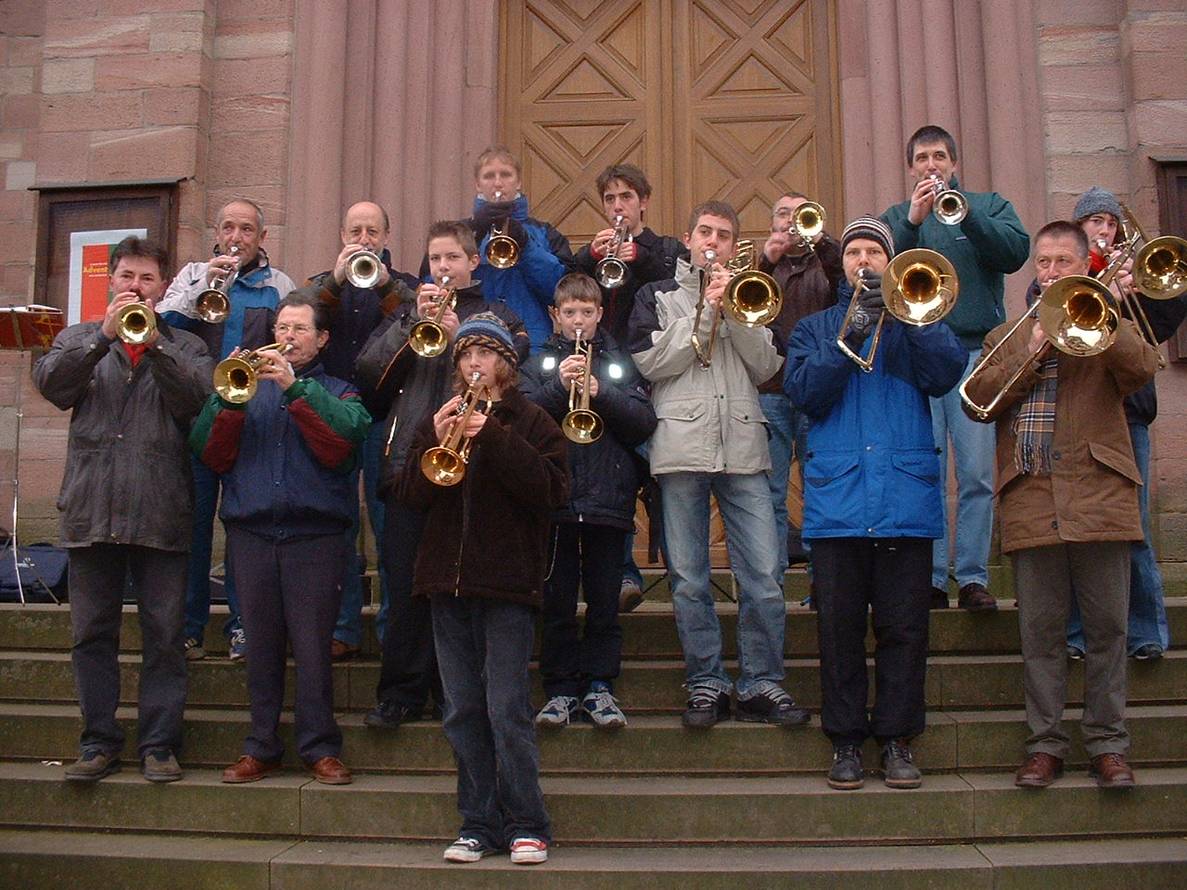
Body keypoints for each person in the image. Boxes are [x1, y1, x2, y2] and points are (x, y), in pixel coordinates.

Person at [962, 221, 1160, 789]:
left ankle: (1108, 744)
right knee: (1042, 636)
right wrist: (1029, 350)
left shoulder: (1106, 323)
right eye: (1044, 263)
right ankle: (1045, 745)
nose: (1051, 272)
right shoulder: (1007, 333)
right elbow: (977, 401)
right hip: (1033, 497)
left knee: (1108, 631)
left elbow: (1142, 371)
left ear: (1083, 267)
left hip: (1100, 498)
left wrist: (1109, 314)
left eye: (1063, 263)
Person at [785, 217, 966, 790]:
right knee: (838, 632)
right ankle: (844, 741)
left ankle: (897, 739)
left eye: (874, 252)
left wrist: (911, 319)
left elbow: (946, 372)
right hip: (838, 503)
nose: (863, 260)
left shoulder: (918, 317)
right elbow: (805, 393)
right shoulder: (815, 327)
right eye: (854, 252)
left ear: (891, 262)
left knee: (904, 630)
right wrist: (851, 334)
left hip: (904, 501)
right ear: (841, 263)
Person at [33, 236, 214, 783]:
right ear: (111, 281)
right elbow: (52, 386)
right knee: (92, 633)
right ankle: (98, 741)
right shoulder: (77, 338)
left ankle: (159, 744)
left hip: (161, 510)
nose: (136, 287)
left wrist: (155, 347)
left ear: (163, 288)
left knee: (165, 637)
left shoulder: (187, 346)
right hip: (91, 510)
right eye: (127, 277)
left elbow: (198, 401)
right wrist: (102, 339)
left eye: (147, 279)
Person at [628, 199, 809, 728]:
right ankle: (706, 681)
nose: (713, 242)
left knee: (765, 575)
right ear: (687, 239)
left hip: (744, 445)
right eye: (705, 232)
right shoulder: (656, 295)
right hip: (681, 446)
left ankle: (761, 681)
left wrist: (734, 313)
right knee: (688, 578)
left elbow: (768, 364)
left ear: (734, 245)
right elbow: (651, 362)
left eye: (723, 235)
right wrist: (705, 311)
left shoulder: (753, 291)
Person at [398, 312, 568, 864]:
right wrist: (432, 437)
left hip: (507, 585)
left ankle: (528, 823)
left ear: (506, 365)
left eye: (486, 354)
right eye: (466, 355)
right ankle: (477, 823)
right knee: (461, 710)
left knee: (506, 708)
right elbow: (409, 496)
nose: (475, 363)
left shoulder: (533, 420)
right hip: (445, 584)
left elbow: (550, 490)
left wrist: (491, 435)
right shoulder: (440, 418)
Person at [190, 291, 370, 786]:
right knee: (260, 647)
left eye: (300, 329)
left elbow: (342, 446)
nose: (288, 338)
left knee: (313, 649)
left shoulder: (340, 391)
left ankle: (320, 747)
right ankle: (261, 746)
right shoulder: (244, 387)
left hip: (315, 537)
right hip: (251, 533)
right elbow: (209, 452)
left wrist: (295, 389)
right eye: (282, 328)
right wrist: (227, 399)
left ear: (322, 338)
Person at [356, 221, 529, 730]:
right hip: (412, 464)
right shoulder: (409, 311)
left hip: (475, 470)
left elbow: (514, 375)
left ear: (474, 262)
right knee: (405, 583)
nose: (443, 268)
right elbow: (368, 375)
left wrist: (461, 341)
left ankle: (456, 695)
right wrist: (413, 326)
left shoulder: (496, 314)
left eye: (453, 257)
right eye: (435, 259)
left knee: (459, 587)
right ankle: (401, 693)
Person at [880, 125, 1030, 611]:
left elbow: (1015, 253)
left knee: (976, 475)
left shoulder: (989, 205)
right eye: (923, 158)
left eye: (940, 157)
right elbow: (878, 268)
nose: (932, 165)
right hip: (918, 361)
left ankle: (971, 577)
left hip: (973, 357)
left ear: (954, 164)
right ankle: (929, 578)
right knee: (925, 469)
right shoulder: (897, 217)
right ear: (910, 168)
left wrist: (967, 213)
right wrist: (912, 221)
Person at [158, 197, 297, 661]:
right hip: (199, 418)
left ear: (262, 237)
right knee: (193, 526)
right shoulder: (192, 275)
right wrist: (204, 287)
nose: (237, 238)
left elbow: (291, 344)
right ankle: (189, 627)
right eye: (229, 228)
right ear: (216, 234)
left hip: (252, 424)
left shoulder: (279, 285)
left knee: (244, 527)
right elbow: (161, 330)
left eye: (247, 229)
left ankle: (244, 626)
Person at [521, 273, 657, 729]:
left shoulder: (619, 361)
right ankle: (560, 690)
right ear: (555, 316)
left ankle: (601, 686)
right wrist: (558, 387)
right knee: (557, 602)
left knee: (604, 602)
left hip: (607, 499)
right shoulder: (538, 362)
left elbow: (643, 421)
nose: (578, 320)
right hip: (555, 501)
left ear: (600, 314)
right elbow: (521, 420)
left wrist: (602, 392)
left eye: (586, 312)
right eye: (569, 313)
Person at [1064, 187, 1187, 661]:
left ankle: (1146, 633)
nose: (1104, 230)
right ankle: (1076, 635)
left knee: (1135, 526)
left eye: (1111, 222)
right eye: (1095, 221)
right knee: (1075, 526)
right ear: (1079, 227)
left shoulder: (1133, 275)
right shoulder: (1065, 274)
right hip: (1077, 414)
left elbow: (1164, 325)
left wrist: (1145, 285)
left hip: (1128, 412)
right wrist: (1103, 292)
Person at [306, 201, 419, 660]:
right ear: (342, 235)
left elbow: (417, 319)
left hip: (385, 418)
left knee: (389, 526)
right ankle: (342, 628)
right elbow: (301, 319)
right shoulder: (323, 283)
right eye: (356, 231)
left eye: (372, 231)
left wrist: (385, 283)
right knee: (339, 524)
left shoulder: (403, 284)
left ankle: (395, 631)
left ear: (386, 237)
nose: (364, 240)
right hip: (333, 415)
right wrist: (335, 281)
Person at [573, 164, 685, 611]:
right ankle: (623, 576)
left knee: (667, 484)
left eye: (626, 197)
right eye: (610, 199)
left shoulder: (665, 249)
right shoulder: (594, 251)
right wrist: (589, 256)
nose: (618, 206)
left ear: (644, 202)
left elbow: (676, 284)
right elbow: (569, 288)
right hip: (608, 377)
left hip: (658, 377)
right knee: (614, 479)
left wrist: (638, 257)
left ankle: (682, 577)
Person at [758, 192, 844, 592]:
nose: (790, 221)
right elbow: (742, 307)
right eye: (782, 214)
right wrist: (766, 262)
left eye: (798, 215)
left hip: (814, 388)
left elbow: (844, 285)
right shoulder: (764, 266)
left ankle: (820, 585)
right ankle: (771, 585)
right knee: (771, 492)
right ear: (772, 224)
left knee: (819, 487)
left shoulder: (825, 263)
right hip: (770, 388)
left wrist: (820, 241)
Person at [430, 145, 572, 351]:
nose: (498, 183)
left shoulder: (544, 232)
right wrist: (475, 235)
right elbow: (432, 283)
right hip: (472, 342)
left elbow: (560, 292)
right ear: (478, 184)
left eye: (505, 175)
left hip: (532, 345)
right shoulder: (457, 233)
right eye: (489, 176)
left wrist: (526, 246)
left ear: (518, 182)